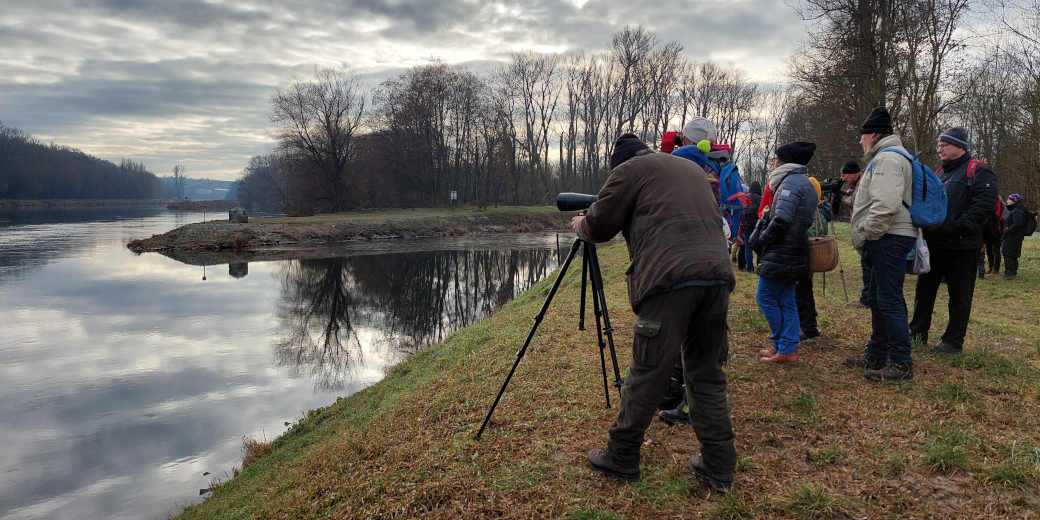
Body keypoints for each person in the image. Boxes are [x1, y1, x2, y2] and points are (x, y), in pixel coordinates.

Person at [575, 133, 737, 491]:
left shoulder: (628, 170)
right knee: (706, 373)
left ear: (618, 163)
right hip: (718, 274)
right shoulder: (689, 167)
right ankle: (719, 464)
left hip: (670, 279)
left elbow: (600, 226)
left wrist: (581, 225)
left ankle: (621, 456)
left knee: (648, 372)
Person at [843, 106, 918, 381]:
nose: (860, 142)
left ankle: (901, 363)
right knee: (878, 298)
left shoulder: (887, 159)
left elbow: (886, 205)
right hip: (887, 236)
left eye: (862, 136)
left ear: (872, 134)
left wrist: (868, 233)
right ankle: (877, 354)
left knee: (889, 299)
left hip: (889, 236)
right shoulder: (889, 157)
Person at [908, 127, 997, 355]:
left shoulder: (979, 170)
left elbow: (984, 206)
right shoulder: (939, 173)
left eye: (943, 145)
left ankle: (953, 342)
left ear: (960, 146)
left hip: (963, 247)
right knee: (924, 292)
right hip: (935, 244)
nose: (939, 149)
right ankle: (917, 333)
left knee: (960, 297)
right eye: (938, 145)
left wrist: (957, 227)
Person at [749, 142, 819, 365]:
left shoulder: (790, 182)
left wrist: (762, 239)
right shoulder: (804, 181)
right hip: (795, 250)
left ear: (784, 161)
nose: (773, 162)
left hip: (782, 251)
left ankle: (785, 346)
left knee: (765, 297)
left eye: (775, 157)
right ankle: (788, 350)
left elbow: (781, 220)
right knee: (787, 300)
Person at [796, 177, 833, 343]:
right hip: (806, 257)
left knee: (802, 293)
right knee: (804, 292)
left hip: (805, 256)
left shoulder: (817, 212)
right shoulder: (822, 210)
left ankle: (808, 328)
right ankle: (808, 325)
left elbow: (813, 233)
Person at [1002, 193, 1028, 279]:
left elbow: (1018, 223)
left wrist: (1007, 230)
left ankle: (1009, 273)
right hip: (1015, 236)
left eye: (1010, 200)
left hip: (1012, 236)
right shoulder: (1016, 210)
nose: (1007, 201)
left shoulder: (1017, 211)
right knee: (1013, 254)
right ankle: (1013, 272)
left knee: (1007, 254)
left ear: (1015, 201)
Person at [739, 181, 763, 273]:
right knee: (759, 246)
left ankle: (749, 268)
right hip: (757, 226)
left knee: (748, 248)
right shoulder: (760, 199)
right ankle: (759, 266)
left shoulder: (746, 197)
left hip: (746, 226)